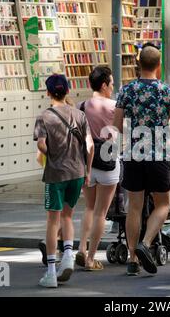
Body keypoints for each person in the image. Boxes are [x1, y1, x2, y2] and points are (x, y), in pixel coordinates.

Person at [113, 44, 170, 276]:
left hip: (133, 154)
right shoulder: (167, 91)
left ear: (139, 64)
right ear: (158, 66)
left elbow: (116, 125)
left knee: (134, 206)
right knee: (163, 204)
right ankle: (146, 242)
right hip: (159, 155)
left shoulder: (126, 90)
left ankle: (132, 258)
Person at [33, 74, 94, 288]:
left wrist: (49, 151)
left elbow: (41, 145)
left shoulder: (44, 117)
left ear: (48, 92)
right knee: (68, 216)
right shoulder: (80, 115)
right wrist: (87, 171)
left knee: (53, 220)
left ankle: (50, 272)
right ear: (68, 91)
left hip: (55, 174)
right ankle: (68, 254)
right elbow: (89, 146)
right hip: (77, 173)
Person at [75, 66, 120, 271]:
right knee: (101, 212)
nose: (113, 87)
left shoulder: (81, 106)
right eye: (111, 83)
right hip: (108, 161)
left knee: (89, 208)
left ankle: (82, 249)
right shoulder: (114, 106)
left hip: (87, 164)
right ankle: (91, 259)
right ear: (104, 85)